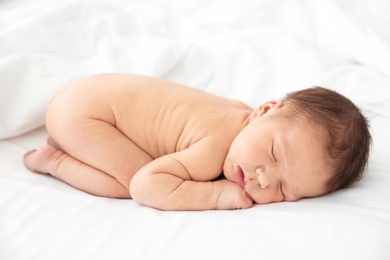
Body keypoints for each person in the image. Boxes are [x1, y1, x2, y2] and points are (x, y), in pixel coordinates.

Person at [23, 73, 371, 211]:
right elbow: (147, 187)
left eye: (284, 190)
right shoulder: (213, 147)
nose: (263, 178)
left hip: (86, 95)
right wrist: (215, 194)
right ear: (264, 110)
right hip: (87, 114)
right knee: (128, 181)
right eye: (273, 154)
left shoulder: (242, 116)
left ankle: (73, 144)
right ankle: (54, 160)